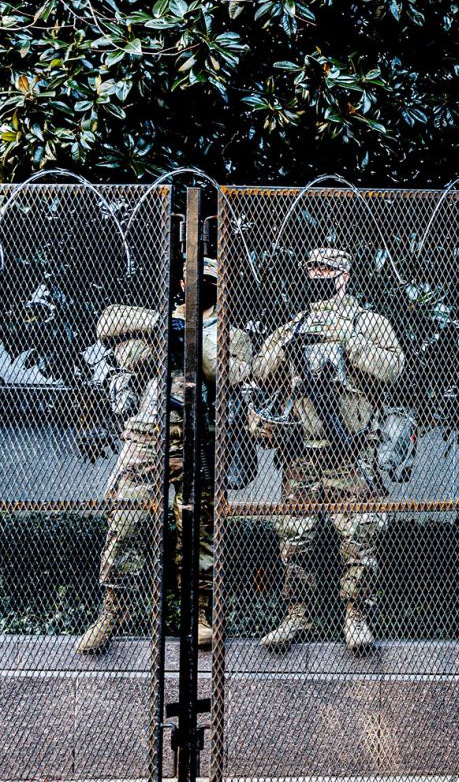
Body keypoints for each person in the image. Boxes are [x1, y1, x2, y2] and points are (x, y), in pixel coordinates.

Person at [78, 259, 253, 654]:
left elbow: (231, 373)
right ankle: (112, 610)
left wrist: (192, 336)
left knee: (200, 529)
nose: (199, 285)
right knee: (126, 517)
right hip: (148, 434)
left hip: (200, 439)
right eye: (192, 278)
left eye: (207, 280)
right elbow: (110, 327)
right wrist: (165, 325)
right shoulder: (158, 319)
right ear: (180, 281)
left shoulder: (232, 335)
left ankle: (202, 616)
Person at [249, 247, 405, 655]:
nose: (317, 274)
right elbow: (260, 374)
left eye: (326, 269)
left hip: (349, 453)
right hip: (302, 454)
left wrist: (349, 342)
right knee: (293, 538)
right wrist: (287, 348)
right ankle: (296, 614)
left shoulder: (367, 323)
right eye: (312, 268)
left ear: (345, 275)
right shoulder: (293, 326)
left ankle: (355, 615)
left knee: (358, 536)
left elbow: (393, 368)